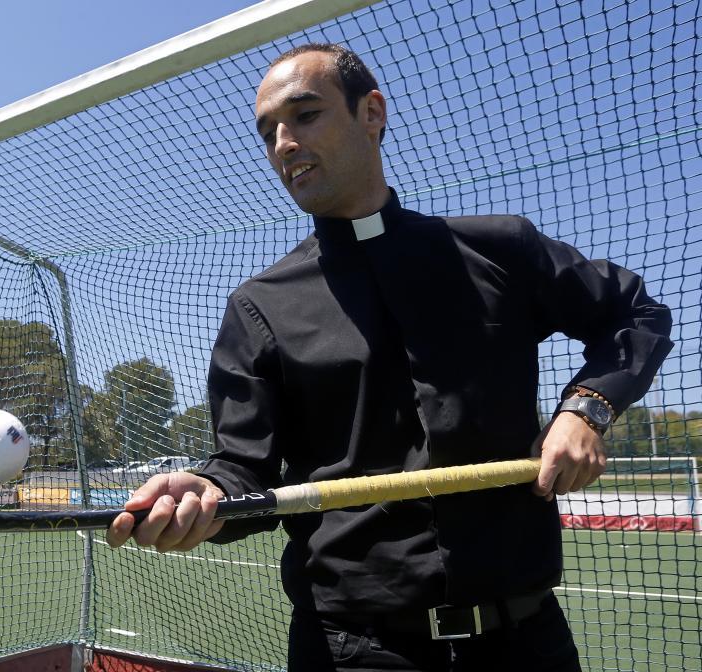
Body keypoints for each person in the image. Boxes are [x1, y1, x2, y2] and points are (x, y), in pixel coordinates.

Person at [106, 43, 672, 671]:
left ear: (372, 112)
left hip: (527, 639)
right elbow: (246, 470)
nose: (284, 144)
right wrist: (206, 493)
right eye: (268, 133)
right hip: (354, 652)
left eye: (306, 115)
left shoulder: (501, 250)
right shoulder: (258, 306)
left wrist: (586, 408)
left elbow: (636, 314)